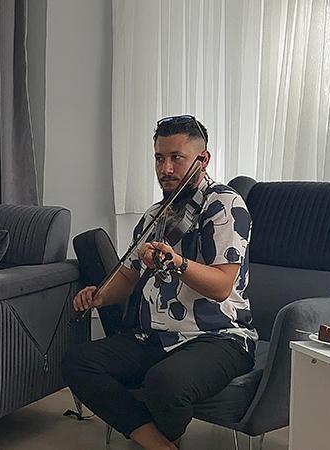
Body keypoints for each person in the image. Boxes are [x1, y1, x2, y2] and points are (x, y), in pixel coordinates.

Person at [62, 115, 256, 450]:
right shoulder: (156, 214)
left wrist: (177, 262)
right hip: (155, 336)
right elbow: (128, 276)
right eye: (159, 158)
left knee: (164, 382)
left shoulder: (224, 204)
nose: (165, 168)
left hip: (219, 338)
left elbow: (222, 286)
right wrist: (100, 296)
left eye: (176, 158)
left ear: (203, 159)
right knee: (77, 362)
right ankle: (157, 443)